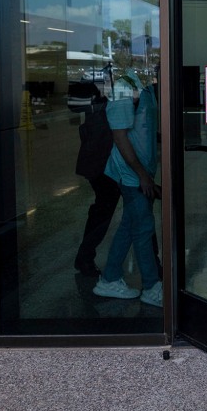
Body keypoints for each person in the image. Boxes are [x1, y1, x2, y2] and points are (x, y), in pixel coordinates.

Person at [70, 78, 160, 279]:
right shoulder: (112, 85)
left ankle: (150, 266)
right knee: (111, 210)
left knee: (134, 212)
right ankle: (88, 257)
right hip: (105, 158)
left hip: (116, 156)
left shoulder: (129, 85)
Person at [92, 68, 162, 307]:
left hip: (142, 172)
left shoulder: (145, 88)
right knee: (143, 228)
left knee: (129, 225)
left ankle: (110, 278)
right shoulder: (124, 87)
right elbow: (120, 137)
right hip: (131, 174)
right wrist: (142, 174)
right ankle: (152, 286)